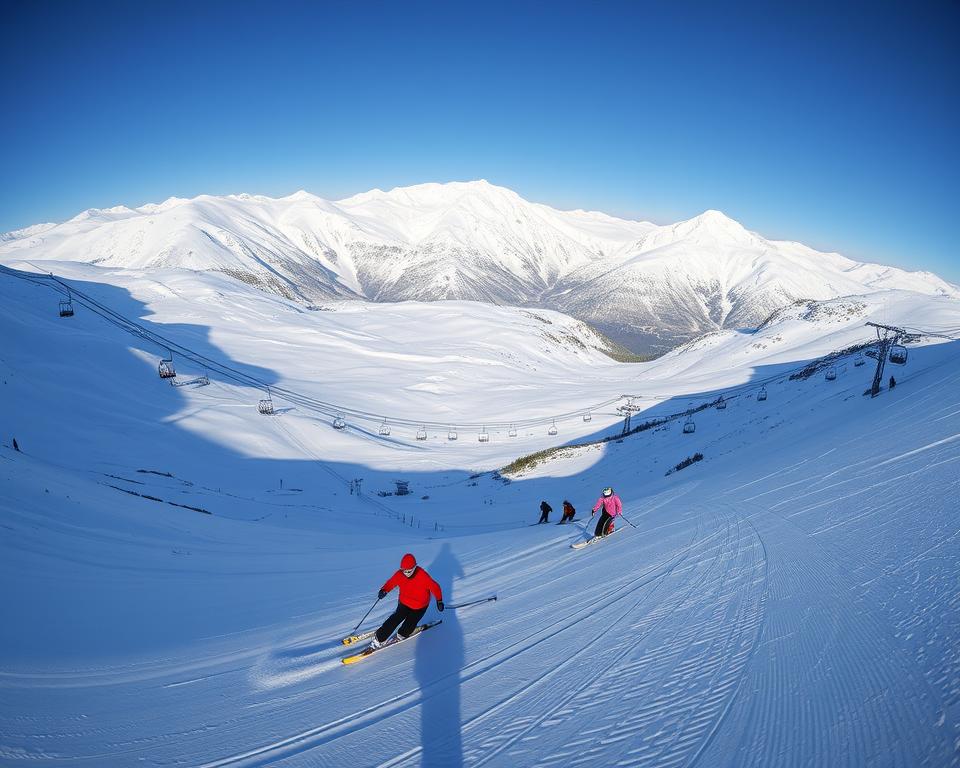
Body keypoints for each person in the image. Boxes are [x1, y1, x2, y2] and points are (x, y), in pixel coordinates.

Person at [371, 553, 443, 649]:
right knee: (395, 618)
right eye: (404, 570)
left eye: (409, 571)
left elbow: (435, 587)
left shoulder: (423, 576)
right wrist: (384, 590)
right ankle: (379, 638)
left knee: (410, 623)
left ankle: (402, 635)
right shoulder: (399, 574)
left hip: (419, 606)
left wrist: (439, 600)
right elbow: (391, 582)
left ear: (414, 567)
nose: (406, 573)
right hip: (404, 602)